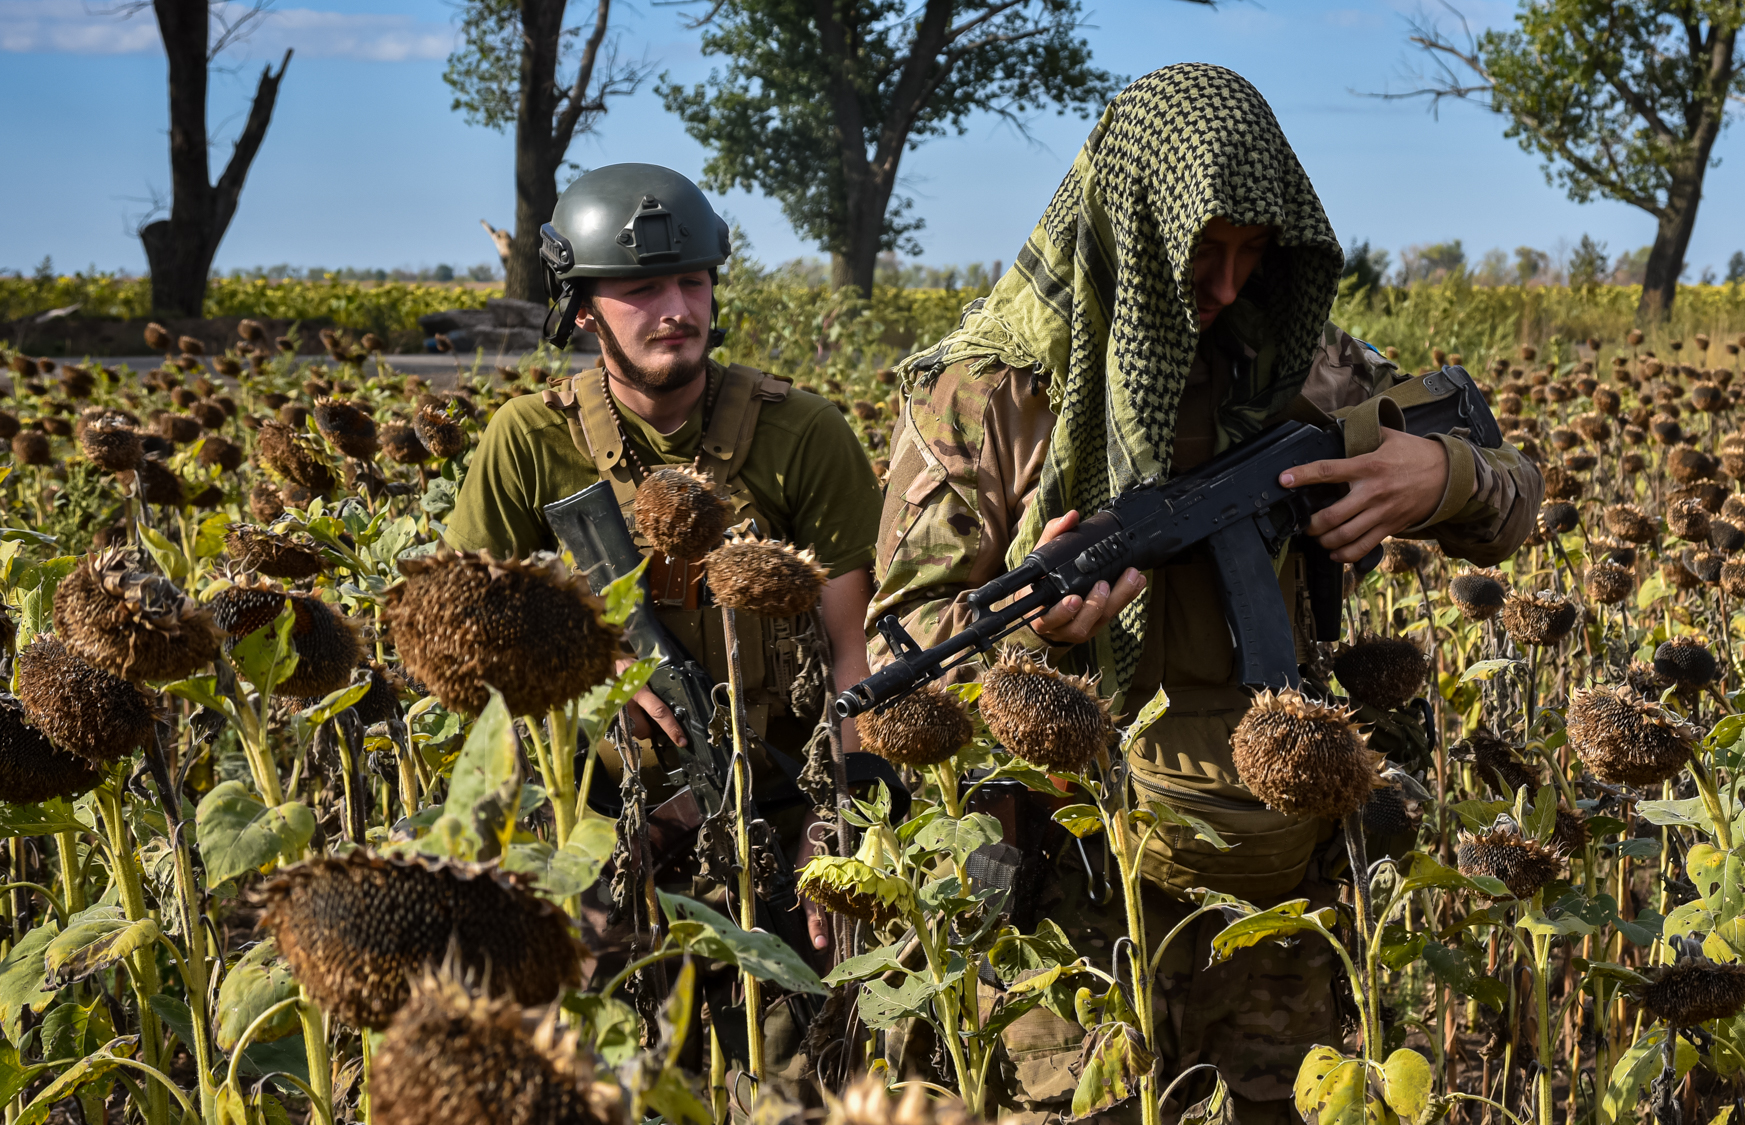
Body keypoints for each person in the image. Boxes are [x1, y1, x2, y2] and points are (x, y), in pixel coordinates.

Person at [867, 64, 1541, 1123]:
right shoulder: (989, 394)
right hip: (1071, 878)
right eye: (1197, 256)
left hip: (1277, 865)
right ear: (1130, 236)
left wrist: (1439, 478)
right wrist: (1033, 646)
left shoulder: (1312, 375)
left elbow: (1511, 504)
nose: (1225, 287)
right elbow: (904, 649)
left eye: (1249, 255)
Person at [442, 163, 885, 1086]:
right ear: (581, 308)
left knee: (795, 1089)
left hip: (776, 819)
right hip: (599, 836)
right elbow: (449, 633)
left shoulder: (803, 435)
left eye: (692, 281)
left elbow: (857, 654)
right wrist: (597, 661)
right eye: (641, 289)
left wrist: (838, 826)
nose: (676, 308)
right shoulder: (531, 442)